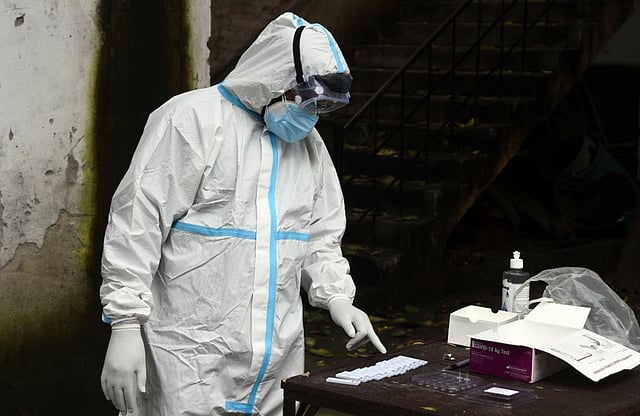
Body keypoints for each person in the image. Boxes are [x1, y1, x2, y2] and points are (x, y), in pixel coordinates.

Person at [99, 12, 386, 416]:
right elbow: (137, 224)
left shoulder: (308, 147)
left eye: (321, 108)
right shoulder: (192, 121)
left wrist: (338, 297)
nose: (310, 116)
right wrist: (126, 324)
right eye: (305, 102)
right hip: (188, 362)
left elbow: (319, 236)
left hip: (274, 363)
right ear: (273, 79)